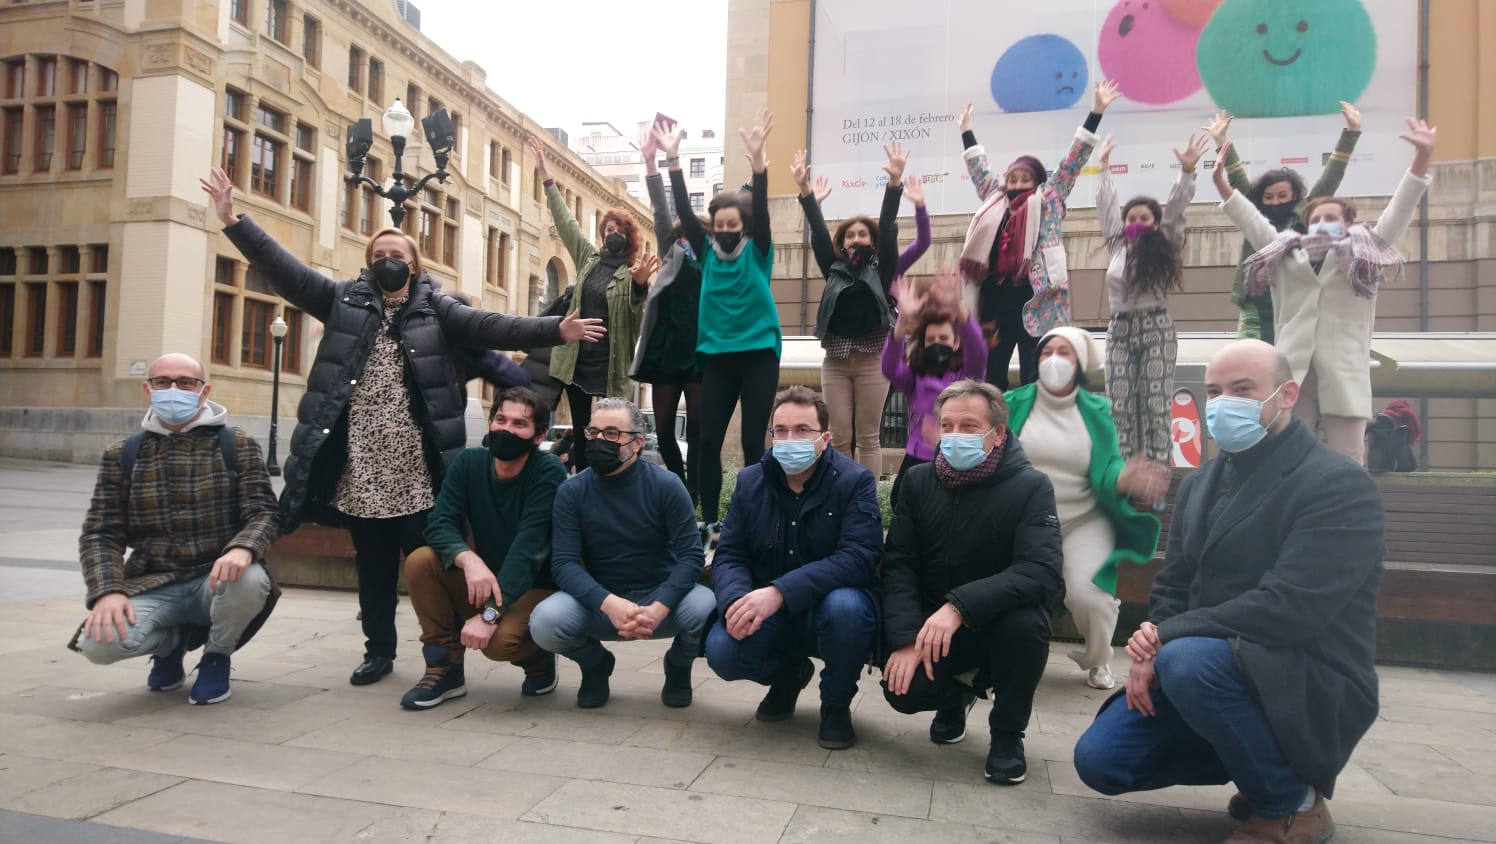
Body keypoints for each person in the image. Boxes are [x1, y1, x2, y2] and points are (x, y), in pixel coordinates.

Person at [201, 167, 603, 686]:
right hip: (361, 467)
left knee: (431, 564)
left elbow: (495, 326)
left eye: (398, 255)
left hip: (419, 467)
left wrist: (557, 329)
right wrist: (234, 220)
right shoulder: (343, 300)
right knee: (371, 567)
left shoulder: (438, 309)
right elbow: (287, 272)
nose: (388, 261)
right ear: (369, 264)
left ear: (414, 263)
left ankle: (445, 655)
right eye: (379, 256)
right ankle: (379, 651)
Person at [1073, 340, 1386, 844]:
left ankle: (1293, 806)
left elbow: (1290, 607)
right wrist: (1156, 644)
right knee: (1101, 762)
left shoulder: (1337, 484)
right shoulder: (1201, 483)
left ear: (1286, 395)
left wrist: (1164, 639)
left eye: (1243, 390)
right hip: (1208, 667)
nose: (1222, 404)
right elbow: (1174, 583)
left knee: (1187, 662)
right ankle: (1266, 770)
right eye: (1214, 392)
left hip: (1304, 672)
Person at [1214, 118, 1435, 464]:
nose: (1322, 224)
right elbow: (1252, 222)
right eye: (1315, 219)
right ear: (1306, 223)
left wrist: (1422, 159)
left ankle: (1347, 516)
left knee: (1349, 456)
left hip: (1345, 371)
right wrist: (1222, 186)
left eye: (1331, 218)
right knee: (1289, 456)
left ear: (1348, 224)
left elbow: (1401, 209)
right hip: (1293, 372)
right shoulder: (1285, 253)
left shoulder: (1365, 253)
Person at [881, 379, 1063, 785]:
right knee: (901, 690)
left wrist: (960, 606)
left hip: (997, 623)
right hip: (934, 627)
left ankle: (1007, 735)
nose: (954, 436)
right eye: (947, 426)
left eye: (968, 426)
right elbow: (900, 564)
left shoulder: (1031, 486)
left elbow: (1041, 571)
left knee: (1028, 626)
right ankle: (954, 698)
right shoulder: (917, 482)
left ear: (997, 434)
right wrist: (906, 639)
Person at [72, 353, 279, 705]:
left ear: (203, 391)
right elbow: (101, 533)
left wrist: (242, 548)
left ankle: (217, 655)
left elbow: (263, 512)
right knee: (98, 645)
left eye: (185, 383)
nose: (173, 390)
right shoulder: (122, 454)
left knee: (251, 580)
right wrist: (107, 591)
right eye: (162, 382)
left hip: (214, 581)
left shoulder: (236, 444)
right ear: (147, 388)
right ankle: (171, 643)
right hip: (154, 580)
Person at [705, 386, 883, 750]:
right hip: (770, 610)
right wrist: (737, 602)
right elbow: (731, 554)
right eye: (780, 430)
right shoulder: (751, 481)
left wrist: (779, 592)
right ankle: (787, 675)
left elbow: (861, 557)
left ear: (825, 438)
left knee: (847, 608)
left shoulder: (854, 481)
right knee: (723, 651)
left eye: (802, 430)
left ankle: (835, 703)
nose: (789, 439)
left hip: (828, 607)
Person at [529, 398, 715, 709]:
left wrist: (659, 607)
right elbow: (564, 563)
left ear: (637, 442)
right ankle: (595, 664)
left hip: (662, 600)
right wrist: (608, 603)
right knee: (545, 623)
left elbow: (691, 556)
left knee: (706, 609)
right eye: (594, 432)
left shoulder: (666, 485)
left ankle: (679, 665)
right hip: (599, 602)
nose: (600, 441)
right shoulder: (572, 491)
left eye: (612, 434)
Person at [1004, 328, 1164, 691]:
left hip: (1084, 520)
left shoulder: (1101, 411)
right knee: (1001, 589)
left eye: (1065, 352)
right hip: (1023, 522)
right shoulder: (1011, 402)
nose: (1053, 359)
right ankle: (996, 660)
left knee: (1089, 596)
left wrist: (1123, 479)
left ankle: (1099, 658)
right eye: (1046, 352)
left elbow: (1107, 468)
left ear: (1079, 364)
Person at [399, 388, 568, 710]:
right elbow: (440, 523)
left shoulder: (547, 471)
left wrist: (489, 616)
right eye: (500, 419)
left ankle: (538, 658)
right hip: (488, 576)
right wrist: (468, 558)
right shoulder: (469, 462)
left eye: (520, 424)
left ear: (539, 435)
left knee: (499, 645)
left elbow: (528, 550)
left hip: (536, 584)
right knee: (422, 560)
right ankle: (443, 668)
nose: (506, 429)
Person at [652, 111, 778, 543]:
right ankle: (708, 521)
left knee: (752, 444)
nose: (725, 230)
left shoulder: (758, 251)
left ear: (742, 226)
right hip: (718, 358)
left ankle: (756, 517)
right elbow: (685, 211)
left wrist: (759, 164)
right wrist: (672, 162)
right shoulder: (705, 253)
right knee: (706, 442)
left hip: (759, 354)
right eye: (719, 224)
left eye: (732, 224)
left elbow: (760, 208)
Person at [957, 80, 1120, 390]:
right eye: (1012, 178)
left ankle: (1033, 435)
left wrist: (1096, 111)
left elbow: (1074, 160)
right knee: (991, 379)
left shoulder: (1050, 198)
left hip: (1038, 306)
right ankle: (999, 435)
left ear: (1038, 180)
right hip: (994, 308)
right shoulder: (995, 200)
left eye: (1025, 178)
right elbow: (980, 169)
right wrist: (966, 131)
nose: (1017, 184)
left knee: (1037, 377)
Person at [791, 142, 932, 478]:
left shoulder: (883, 270)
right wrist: (805, 191)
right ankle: (839, 497)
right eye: (850, 235)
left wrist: (894, 184)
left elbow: (887, 227)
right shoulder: (834, 268)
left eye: (863, 235)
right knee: (839, 438)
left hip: (873, 360)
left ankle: (866, 503)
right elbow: (820, 237)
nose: (856, 239)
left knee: (868, 437)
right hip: (837, 361)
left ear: (872, 241)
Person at [532, 136, 658, 475]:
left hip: (609, 367)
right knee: (582, 430)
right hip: (576, 361)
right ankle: (581, 486)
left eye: (617, 230)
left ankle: (609, 483)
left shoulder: (630, 273)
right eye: (607, 229)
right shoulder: (588, 259)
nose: (611, 234)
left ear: (628, 237)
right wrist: (547, 178)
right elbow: (567, 223)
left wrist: (641, 285)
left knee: (606, 433)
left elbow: (635, 311)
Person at [1096, 132, 1207, 466]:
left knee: (1156, 403)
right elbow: (1107, 205)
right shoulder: (1117, 245)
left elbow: (1176, 209)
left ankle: (1158, 474)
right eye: (1131, 218)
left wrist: (1186, 173)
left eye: (1145, 219)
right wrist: (1103, 167)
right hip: (1120, 330)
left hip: (1156, 328)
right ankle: (1124, 472)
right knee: (1120, 403)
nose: (1136, 223)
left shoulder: (1165, 244)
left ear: (1156, 224)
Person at [1208, 102, 1363, 342]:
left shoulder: (1306, 213)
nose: (1274, 202)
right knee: (1251, 360)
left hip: (1295, 299)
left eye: (1282, 196)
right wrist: (1221, 142)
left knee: (1289, 361)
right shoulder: (1254, 215)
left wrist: (1351, 133)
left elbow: (1331, 176)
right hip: (1256, 304)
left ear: (1295, 196)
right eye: (1268, 197)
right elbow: (1236, 176)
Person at [634, 125, 706, 500]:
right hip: (664, 351)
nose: (681, 239)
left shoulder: (712, 259)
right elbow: (662, 207)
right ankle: (679, 486)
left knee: (696, 428)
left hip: (697, 353)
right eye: (676, 235)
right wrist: (650, 161)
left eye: (687, 234)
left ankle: (695, 488)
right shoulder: (669, 252)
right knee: (662, 429)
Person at [881, 269, 986, 510]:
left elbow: (979, 349)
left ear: (956, 342)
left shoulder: (968, 376)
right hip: (917, 459)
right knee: (903, 509)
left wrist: (959, 308)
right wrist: (902, 322)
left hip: (958, 459)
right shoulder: (915, 378)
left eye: (943, 338)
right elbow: (889, 367)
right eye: (931, 340)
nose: (937, 344)